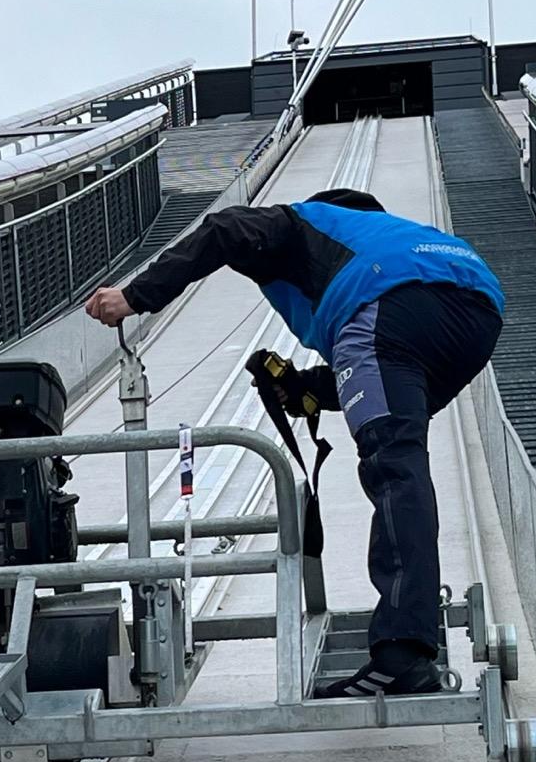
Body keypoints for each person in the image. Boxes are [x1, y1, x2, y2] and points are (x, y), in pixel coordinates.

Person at [84, 188, 503, 696]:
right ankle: (408, 641)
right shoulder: (399, 236)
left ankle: (404, 655)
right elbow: (388, 370)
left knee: (392, 466)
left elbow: (225, 228)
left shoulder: (304, 223)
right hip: (477, 314)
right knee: (400, 451)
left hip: (383, 302)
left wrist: (135, 296)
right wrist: (305, 388)